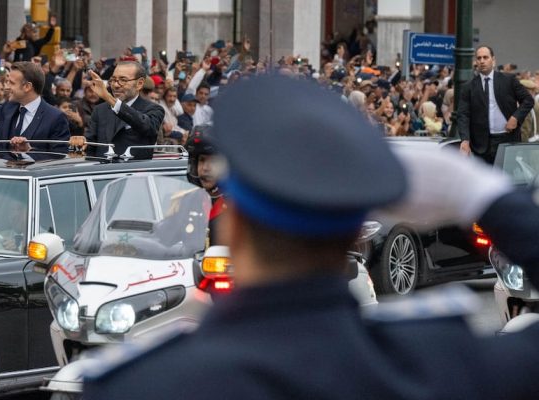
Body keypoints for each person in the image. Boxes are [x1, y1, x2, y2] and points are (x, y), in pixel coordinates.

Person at [83, 72, 539, 400]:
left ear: (234, 224)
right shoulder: (444, 366)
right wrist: (483, 193)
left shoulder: (145, 385)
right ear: (352, 235)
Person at [457, 46, 534, 163]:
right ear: (476, 62)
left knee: (507, 178)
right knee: (484, 179)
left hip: (507, 140)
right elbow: (463, 115)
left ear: (493, 60)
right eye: (479, 58)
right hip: (481, 144)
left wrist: (515, 118)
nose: (482, 61)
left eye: (485, 57)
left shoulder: (508, 80)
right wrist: (465, 140)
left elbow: (528, 100)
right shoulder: (469, 87)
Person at [81, 61, 165, 160]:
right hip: (101, 173)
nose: (116, 85)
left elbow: (145, 125)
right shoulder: (100, 110)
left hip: (135, 173)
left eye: (123, 80)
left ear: (139, 83)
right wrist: (80, 142)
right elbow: (90, 146)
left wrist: (108, 98)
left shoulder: (154, 109)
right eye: (113, 80)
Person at [184, 125, 224, 245]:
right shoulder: (187, 202)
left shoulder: (240, 207)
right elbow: (164, 240)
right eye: (202, 160)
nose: (206, 168)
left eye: (212, 161)